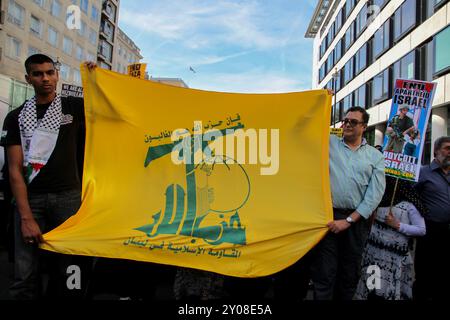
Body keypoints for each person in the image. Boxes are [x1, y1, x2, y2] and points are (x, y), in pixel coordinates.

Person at [0, 54, 96, 299]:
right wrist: (25, 217)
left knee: (70, 268)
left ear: (57, 75)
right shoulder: (16, 117)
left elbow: (108, 106)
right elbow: (14, 170)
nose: (45, 78)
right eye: (38, 74)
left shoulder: (74, 107)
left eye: (50, 72)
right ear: (28, 78)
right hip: (31, 200)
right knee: (25, 271)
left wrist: (96, 78)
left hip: (69, 198)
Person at [310, 106, 386, 300]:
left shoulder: (375, 156)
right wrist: (321, 101)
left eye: (353, 122)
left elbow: (375, 193)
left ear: (364, 126)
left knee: (349, 273)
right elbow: (310, 127)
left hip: (356, 222)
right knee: (324, 273)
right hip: (329, 219)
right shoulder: (329, 144)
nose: (347, 125)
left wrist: (350, 220)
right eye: (345, 121)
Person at [354, 176, 426, 300]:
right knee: (372, 288)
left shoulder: (410, 205)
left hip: (394, 257)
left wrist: (398, 225)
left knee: (388, 290)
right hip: (374, 253)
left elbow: (421, 230)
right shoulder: (380, 199)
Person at [413, 136, 450, 301]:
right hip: (430, 230)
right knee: (425, 271)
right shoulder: (423, 172)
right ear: (436, 151)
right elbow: (410, 196)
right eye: (447, 148)